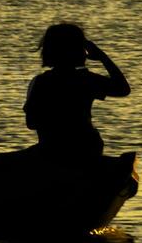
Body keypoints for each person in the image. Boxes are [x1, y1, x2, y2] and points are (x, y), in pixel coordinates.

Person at [22, 22, 131, 163]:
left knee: (0, 161)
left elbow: (31, 123)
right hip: (85, 149)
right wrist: (102, 57)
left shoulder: (40, 82)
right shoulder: (86, 79)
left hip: (50, 151)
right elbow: (122, 89)